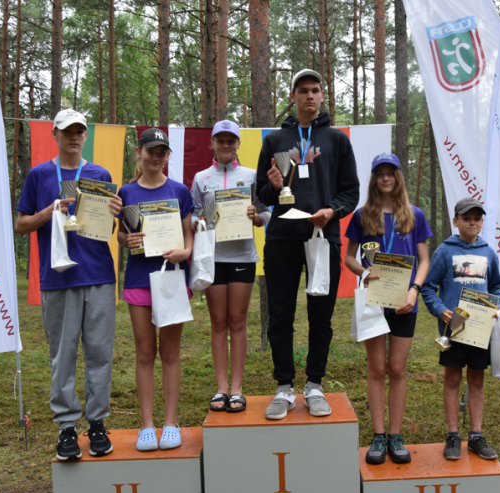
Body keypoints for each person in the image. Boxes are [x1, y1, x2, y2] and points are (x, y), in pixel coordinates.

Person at [15, 109, 122, 460]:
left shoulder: (99, 174)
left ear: (85, 135)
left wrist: (113, 214)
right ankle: (65, 426)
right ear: (55, 135)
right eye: (67, 131)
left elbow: (107, 230)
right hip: (58, 278)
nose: (74, 137)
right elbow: (21, 225)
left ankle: (97, 423)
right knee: (62, 355)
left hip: (99, 275)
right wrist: (49, 212)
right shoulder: (39, 174)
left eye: (79, 131)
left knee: (100, 353)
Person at [256, 69, 359, 420]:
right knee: (281, 315)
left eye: (315, 90)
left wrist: (332, 211)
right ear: (293, 96)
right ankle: (284, 387)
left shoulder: (337, 140)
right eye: (303, 91)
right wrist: (273, 185)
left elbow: (351, 191)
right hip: (282, 238)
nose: (310, 96)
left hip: (323, 237)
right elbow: (263, 194)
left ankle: (315, 384)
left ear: (322, 96)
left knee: (321, 316)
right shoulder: (274, 141)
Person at [344, 153, 432, 465]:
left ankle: (396, 435)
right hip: (374, 300)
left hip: (405, 302)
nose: (386, 178)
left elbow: (424, 260)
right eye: (380, 173)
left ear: (398, 177)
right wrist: (364, 273)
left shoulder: (414, 214)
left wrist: (415, 290)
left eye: (391, 173)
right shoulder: (362, 215)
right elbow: (349, 257)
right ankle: (378, 435)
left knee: (397, 368)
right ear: (373, 178)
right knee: (376, 368)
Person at [116, 128, 194, 451]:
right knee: (145, 353)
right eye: (151, 151)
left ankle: (171, 423)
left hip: (172, 278)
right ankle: (147, 425)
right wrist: (127, 240)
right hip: (139, 279)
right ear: (139, 152)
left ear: (167, 156)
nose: (156, 157)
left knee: (170, 353)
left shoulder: (179, 190)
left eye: (162, 152)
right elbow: (121, 234)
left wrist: (186, 253)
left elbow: (189, 236)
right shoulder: (126, 192)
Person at [190, 120, 272, 413]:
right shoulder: (201, 178)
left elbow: (267, 211)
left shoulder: (251, 176)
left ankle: (237, 388)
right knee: (218, 322)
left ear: (238, 144)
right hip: (212, 258)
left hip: (242, 258)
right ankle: (221, 387)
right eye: (220, 141)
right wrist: (198, 222)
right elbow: (193, 213)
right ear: (212, 144)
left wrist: (256, 217)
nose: (225, 146)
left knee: (237, 321)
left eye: (230, 141)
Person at [420, 198, 500, 461]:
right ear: (455, 221)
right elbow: (428, 287)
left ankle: (476, 436)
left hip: (480, 329)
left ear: (482, 222)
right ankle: (453, 435)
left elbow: (497, 286)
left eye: (477, 219)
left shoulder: (488, 253)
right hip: (454, 327)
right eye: (466, 219)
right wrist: (439, 309)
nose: (472, 223)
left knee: (477, 379)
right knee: (452, 378)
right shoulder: (444, 252)